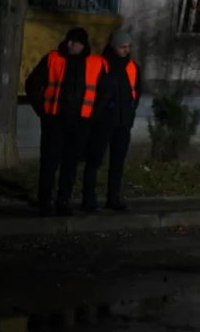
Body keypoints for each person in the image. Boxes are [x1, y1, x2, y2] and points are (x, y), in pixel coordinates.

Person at [24, 27, 102, 216]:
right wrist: (42, 111)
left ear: (83, 44)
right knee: (50, 163)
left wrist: (93, 115)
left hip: (79, 122)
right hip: (55, 120)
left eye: (74, 41)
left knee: (70, 164)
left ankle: (63, 201)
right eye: (69, 40)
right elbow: (32, 83)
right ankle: (45, 201)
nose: (70, 44)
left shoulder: (95, 62)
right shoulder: (53, 58)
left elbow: (104, 91)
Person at [83, 29, 140, 213]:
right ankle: (88, 199)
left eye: (128, 46)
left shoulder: (131, 67)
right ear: (114, 46)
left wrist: (130, 113)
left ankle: (113, 198)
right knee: (94, 160)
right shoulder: (101, 64)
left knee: (118, 161)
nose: (126, 50)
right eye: (122, 46)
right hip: (103, 121)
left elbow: (136, 92)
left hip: (123, 122)